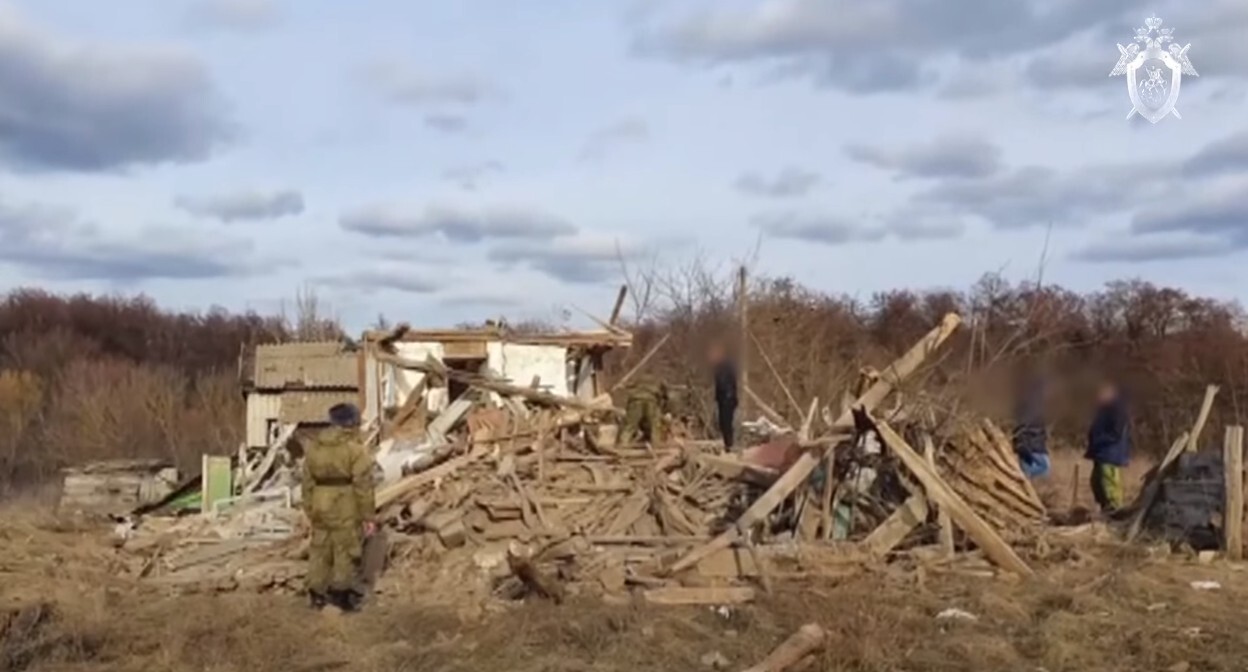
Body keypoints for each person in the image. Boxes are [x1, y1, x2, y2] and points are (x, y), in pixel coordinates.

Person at [302, 403, 376, 612]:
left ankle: (316, 593)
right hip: (345, 502)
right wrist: (368, 516)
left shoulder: (314, 447)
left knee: (320, 548)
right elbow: (363, 485)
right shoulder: (354, 450)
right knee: (345, 549)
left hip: (319, 501)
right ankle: (339, 595)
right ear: (351, 423)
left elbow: (306, 482)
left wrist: (309, 508)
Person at [1086, 381, 1131, 514]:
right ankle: (1105, 508)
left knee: (1109, 483)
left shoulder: (1117, 409)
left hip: (1110, 453)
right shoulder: (1104, 408)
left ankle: (1115, 511)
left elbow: (1116, 433)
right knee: (1097, 482)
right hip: (1100, 452)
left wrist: (1099, 440)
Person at [1012, 374, 1050, 479]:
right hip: (1032, 447)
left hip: (1032, 447)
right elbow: (1023, 428)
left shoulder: (1029, 405)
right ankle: (1021, 478)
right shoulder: (1031, 406)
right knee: (1044, 469)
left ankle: (1023, 479)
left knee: (1042, 471)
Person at [620, 376, 667, 445]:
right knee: (655, 426)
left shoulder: (636, 379)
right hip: (651, 401)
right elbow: (664, 397)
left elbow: (625, 386)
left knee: (629, 426)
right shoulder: (660, 380)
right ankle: (657, 446)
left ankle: (623, 444)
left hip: (636, 400)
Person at [709, 342, 738, 449]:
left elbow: (726, 383)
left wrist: (728, 396)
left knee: (727, 423)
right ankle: (728, 444)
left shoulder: (725, 366)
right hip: (723, 399)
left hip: (728, 399)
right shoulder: (719, 367)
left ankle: (730, 445)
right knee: (722, 423)